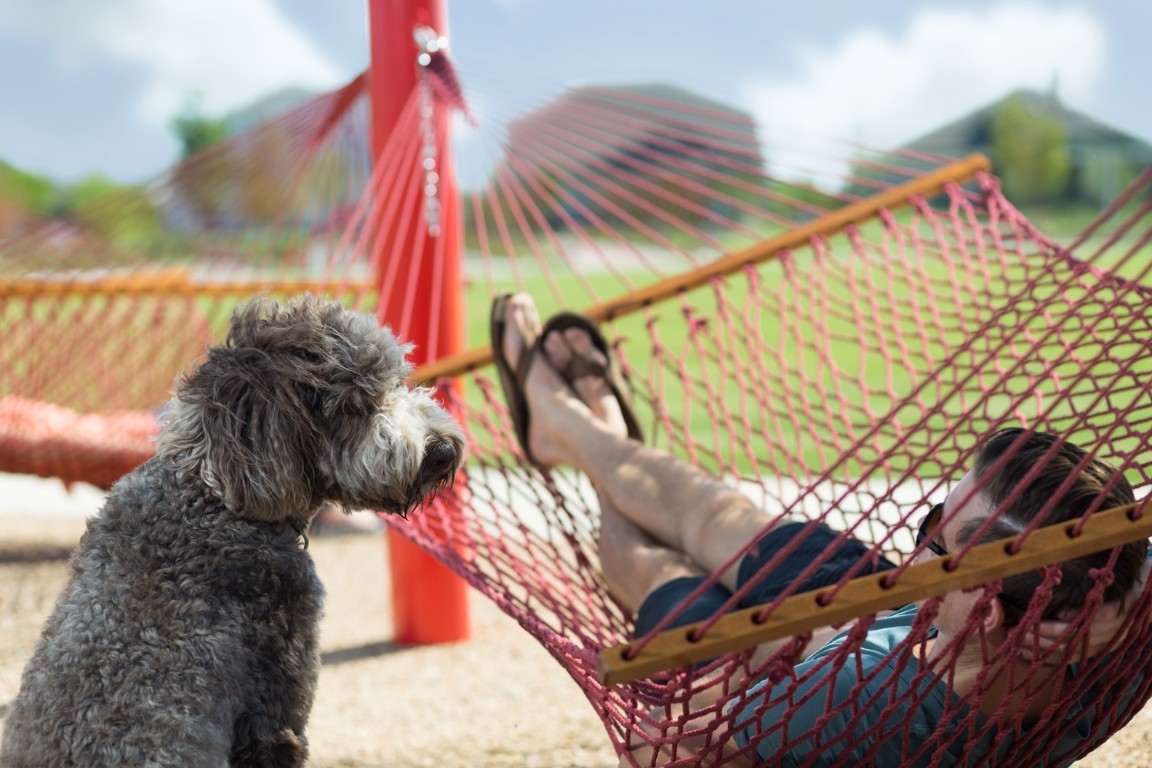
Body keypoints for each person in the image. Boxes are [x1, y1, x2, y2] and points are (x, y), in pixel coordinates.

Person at [492, 293, 1151, 767]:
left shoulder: (856, 701)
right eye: (930, 524)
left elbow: (667, 751)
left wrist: (714, 700)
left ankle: (564, 414)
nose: (919, 551)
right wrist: (1118, 608)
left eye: (939, 548)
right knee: (713, 512)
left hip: (765, 674)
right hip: (886, 609)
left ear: (987, 609)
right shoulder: (1125, 634)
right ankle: (584, 430)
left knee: (659, 571)